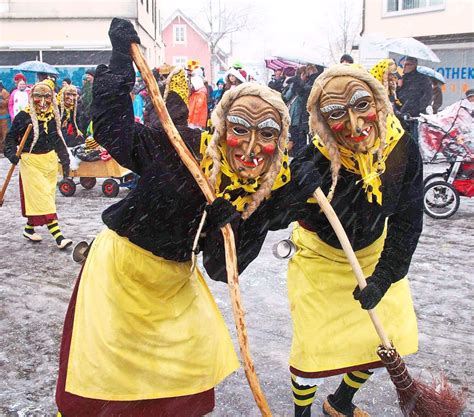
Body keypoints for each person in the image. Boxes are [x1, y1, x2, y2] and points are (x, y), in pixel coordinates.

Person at [54, 18, 319, 417]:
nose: (250, 146)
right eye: (240, 128)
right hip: (119, 274)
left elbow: (219, 268)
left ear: (280, 142)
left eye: (266, 134)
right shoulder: (180, 148)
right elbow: (114, 131)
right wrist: (119, 64)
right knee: (103, 379)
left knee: (186, 372)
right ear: (221, 125)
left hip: (174, 284)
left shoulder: (258, 191)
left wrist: (240, 222)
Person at [283, 64, 422, 417]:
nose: (356, 123)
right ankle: (302, 414)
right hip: (319, 259)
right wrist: (293, 184)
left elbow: (407, 222)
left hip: (375, 255)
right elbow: (271, 215)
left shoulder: (401, 149)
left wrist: (384, 276)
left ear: (378, 100)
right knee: (314, 348)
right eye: (336, 114)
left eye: (362, 105)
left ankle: (341, 401)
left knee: (383, 336)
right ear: (322, 120)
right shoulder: (314, 157)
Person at [4, 80, 72, 249]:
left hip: (49, 162)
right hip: (30, 162)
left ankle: (29, 228)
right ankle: (59, 237)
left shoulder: (53, 116)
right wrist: (11, 154)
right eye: (38, 96)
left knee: (44, 198)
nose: (42, 101)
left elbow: (58, 140)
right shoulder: (24, 117)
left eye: (47, 96)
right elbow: (10, 139)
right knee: (43, 200)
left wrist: (65, 161)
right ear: (31, 96)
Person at [397, 57, 433, 137]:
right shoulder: (401, 79)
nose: (405, 67)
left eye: (408, 64)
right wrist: (398, 86)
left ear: (415, 65)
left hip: (415, 116)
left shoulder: (423, 79)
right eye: (404, 64)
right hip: (401, 114)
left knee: (414, 138)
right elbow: (396, 96)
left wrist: (419, 110)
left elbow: (428, 96)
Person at [0, 81, 10, 152]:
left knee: (5, 133)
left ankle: (5, 149)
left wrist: (1, 102)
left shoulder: (4, 92)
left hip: (4, 116)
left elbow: (8, 102)